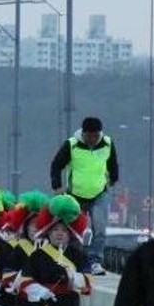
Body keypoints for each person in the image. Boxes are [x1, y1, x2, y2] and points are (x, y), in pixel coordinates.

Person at [49, 115, 118, 275]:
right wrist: (57, 187)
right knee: (74, 229)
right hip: (76, 195)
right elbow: (56, 165)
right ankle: (74, 258)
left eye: (96, 136)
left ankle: (95, 261)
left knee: (99, 228)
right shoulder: (72, 145)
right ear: (83, 133)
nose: (93, 139)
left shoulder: (107, 143)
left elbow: (113, 163)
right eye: (89, 136)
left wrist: (113, 179)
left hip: (99, 193)